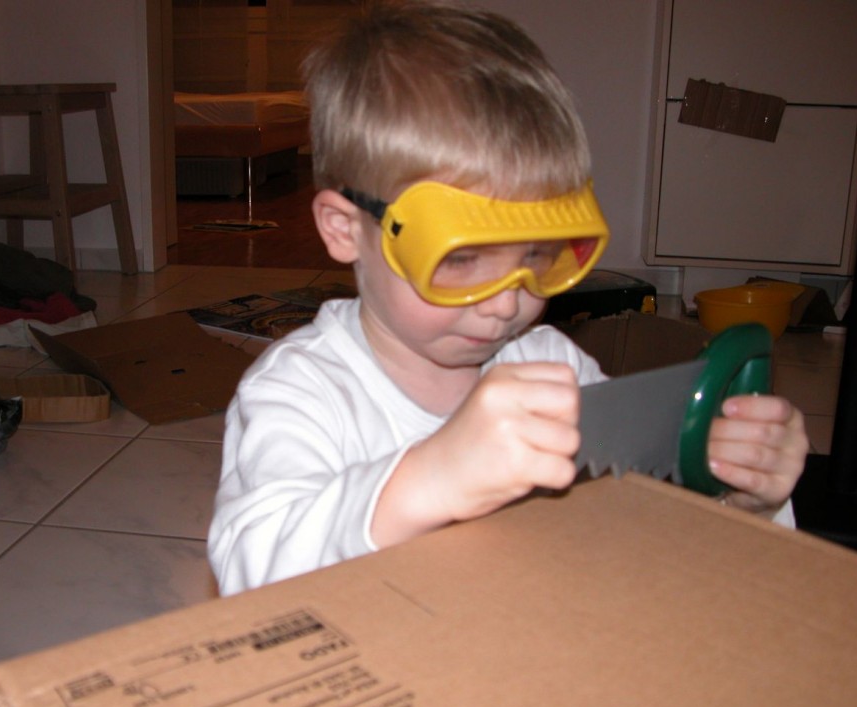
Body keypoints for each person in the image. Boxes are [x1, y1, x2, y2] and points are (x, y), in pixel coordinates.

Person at [207, 0, 808, 596]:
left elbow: (643, 531)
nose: (505, 304)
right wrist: (428, 478)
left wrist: (740, 496)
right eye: (462, 259)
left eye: (536, 255)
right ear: (345, 230)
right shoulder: (302, 391)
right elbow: (249, 573)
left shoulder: (552, 367)